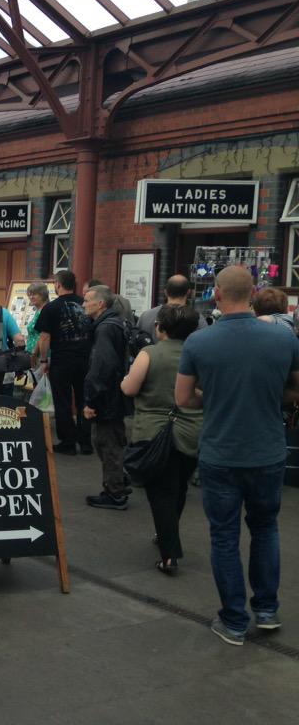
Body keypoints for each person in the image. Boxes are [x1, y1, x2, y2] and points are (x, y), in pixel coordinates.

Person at [175, 266, 299, 646]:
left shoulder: (199, 342)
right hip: (267, 450)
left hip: (220, 452)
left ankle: (232, 621)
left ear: (216, 294)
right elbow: (294, 392)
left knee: (225, 536)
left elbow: (182, 399)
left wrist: (214, 397)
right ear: (254, 293)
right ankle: (266, 610)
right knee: (265, 528)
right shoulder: (285, 338)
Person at [121, 304, 203, 573]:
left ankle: (169, 555)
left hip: (155, 431)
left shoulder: (149, 354)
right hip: (192, 430)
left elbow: (130, 388)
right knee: (179, 489)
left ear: (159, 327)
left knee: (161, 494)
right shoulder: (199, 356)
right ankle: (168, 535)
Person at [82, 284, 130, 510]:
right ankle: (118, 479)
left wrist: (91, 400)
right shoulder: (114, 323)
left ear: (100, 304)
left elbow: (102, 366)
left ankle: (115, 492)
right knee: (109, 440)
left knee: (106, 443)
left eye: (87, 300)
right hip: (114, 394)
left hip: (107, 397)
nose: (83, 304)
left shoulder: (104, 329)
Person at [35, 270, 92, 455]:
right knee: (84, 399)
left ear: (57, 285)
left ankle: (68, 442)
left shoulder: (51, 308)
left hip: (61, 360)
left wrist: (43, 360)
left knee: (63, 401)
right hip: (85, 359)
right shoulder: (85, 304)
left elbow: (44, 337)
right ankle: (85, 442)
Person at [136, 275, 207, 341]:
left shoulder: (146, 316)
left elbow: (137, 340)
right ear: (188, 292)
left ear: (165, 292)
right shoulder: (197, 318)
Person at [25, 282, 49, 362]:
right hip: (33, 355)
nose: (31, 297)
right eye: (29, 295)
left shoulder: (45, 311)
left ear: (42, 295)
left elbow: (42, 335)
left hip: (39, 357)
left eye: (34, 294)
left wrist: (34, 354)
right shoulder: (38, 310)